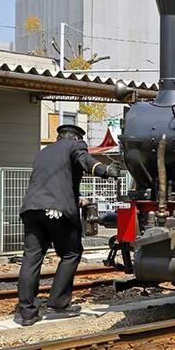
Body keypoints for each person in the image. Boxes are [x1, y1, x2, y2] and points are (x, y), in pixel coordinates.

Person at [16, 124, 119, 326]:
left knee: (31, 258)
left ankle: (27, 314)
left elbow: (54, 182)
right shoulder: (75, 146)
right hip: (57, 211)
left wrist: (75, 199)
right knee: (71, 253)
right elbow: (86, 161)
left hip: (31, 209)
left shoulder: (43, 152)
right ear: (76, 138)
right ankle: (58, 302)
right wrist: (105, 170)